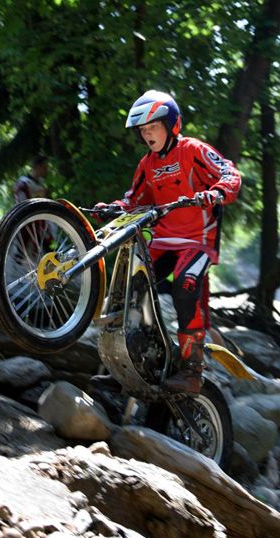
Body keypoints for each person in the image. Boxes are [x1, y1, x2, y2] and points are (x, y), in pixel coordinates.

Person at [93, 90, 241, 394]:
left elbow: (230, 173)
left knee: (184, 288)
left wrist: (217, 192)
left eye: (153, 127)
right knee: (130, 291)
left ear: (172, 124)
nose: (147, 135)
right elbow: (133, 201)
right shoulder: (147, 164)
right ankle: (129, 364)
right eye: (143, 130)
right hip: (163, 240)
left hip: (197, 240)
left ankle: (191, 372)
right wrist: (111, 208)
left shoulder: (193, 150)